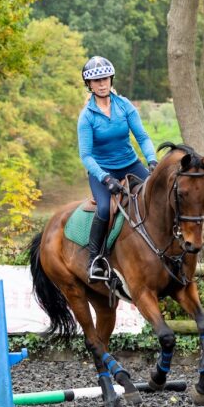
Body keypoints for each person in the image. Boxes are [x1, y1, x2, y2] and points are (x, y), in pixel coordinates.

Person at [78, 56, 158, 281]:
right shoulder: (86, 117)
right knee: (104, 209)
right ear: (90, 85)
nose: (102, 84)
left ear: (111, 79)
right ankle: (95, 260)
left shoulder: (125, 105)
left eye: (105, 79)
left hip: (131, 164)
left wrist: (151, 159)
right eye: (96, 81)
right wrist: (105, 179)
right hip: (102, 171)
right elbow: (86, 156)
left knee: (157, 194)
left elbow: (142, 136)